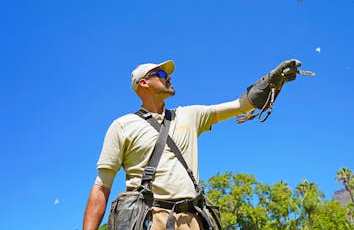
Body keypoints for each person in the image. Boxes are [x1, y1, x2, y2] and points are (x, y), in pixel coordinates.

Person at [82, 58, 301, 230]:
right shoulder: (122, 125)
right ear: (143, 83)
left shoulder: (189, 115)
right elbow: (102, 186)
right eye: (160, 74)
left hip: (191, 220)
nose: (168, 77)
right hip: (148, 219)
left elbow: (240, 105)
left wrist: (270, 82)